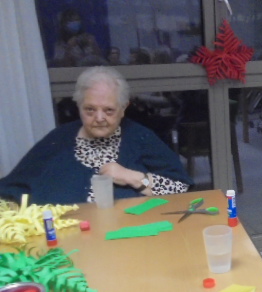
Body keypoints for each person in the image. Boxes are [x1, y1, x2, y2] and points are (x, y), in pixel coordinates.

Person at [0, 66, 193, 205]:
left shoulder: (140, 137)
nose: (99, 118)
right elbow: (12, 189)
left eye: (109, 110)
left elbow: (180, 189)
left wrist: (131, 176)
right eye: (90, 109)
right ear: (79, 106)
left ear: (123, 108)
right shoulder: (58, 140)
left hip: (128, 236)